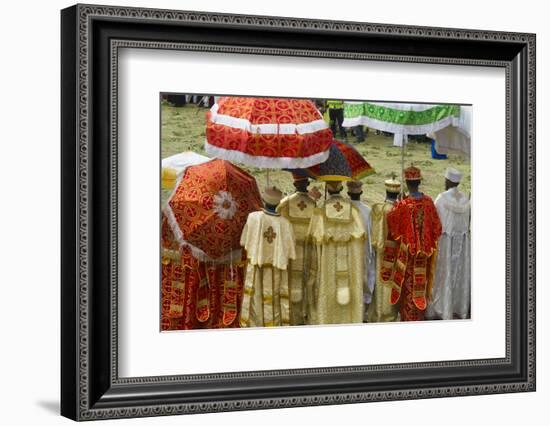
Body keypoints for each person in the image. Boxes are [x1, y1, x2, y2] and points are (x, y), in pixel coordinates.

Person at [387, 165, 442, 321]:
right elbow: (437, 228)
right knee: (420, 285)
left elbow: (392, 224)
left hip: (407, 257)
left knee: (408, 288)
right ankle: (419, 316)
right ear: (419, 182)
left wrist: (398, 203)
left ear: (406, 183)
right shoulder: (429, 203)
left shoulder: (402, 206)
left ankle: (408, 317)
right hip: (425, 255)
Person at [307, 181, 365, 324]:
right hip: (350, 265)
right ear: (342, 188)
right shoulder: (353, 210)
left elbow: (313, 241)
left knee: (328, 288)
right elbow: (361, 240)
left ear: (328, 190)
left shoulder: (320, 211)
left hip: (328, 265)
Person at [239, 187, 296, 327]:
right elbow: (290, 252)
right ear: (278, 203)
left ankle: (253, 326)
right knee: (274, 299)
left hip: (256, 267)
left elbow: (244, 241)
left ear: (263, 200)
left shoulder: (253, 217)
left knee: (255, 298)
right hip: (275, 268)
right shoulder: (286, 223)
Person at [426, 168, 471, 320]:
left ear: (450, 181)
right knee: (458, 274)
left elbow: (433, 219)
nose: (444, 182)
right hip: (462, 244)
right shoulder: (466, 199)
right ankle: (459, 307)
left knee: (443, 273)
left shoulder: (442, 198)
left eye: (446, 180)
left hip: (445, 242)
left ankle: (441, 308)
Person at [277, 174, 317, 325]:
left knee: (288, 282)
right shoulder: (314, 204)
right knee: (305, 282)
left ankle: (288, 316)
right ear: (307, 183)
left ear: (294, 183)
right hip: (308, 251)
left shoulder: (285, 203)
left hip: (290, 252)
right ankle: (303, 315)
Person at [366, 175, 402, 322]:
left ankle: (378, 313)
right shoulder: (401, 209)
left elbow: (374, 235)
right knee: (393, 283)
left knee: (380, 284)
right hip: (397, 254)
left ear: (386, 192)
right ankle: (391, 313)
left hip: (381, 252)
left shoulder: (378, 209)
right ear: (397, 193)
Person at [346, 180, 376, 319]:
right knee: (363, 279)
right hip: (363, 251)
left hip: (347, 252)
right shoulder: (368, 210)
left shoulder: (343, 209)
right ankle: (362, 312)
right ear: (361, 193)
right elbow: (371, 234)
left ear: (347, 193)